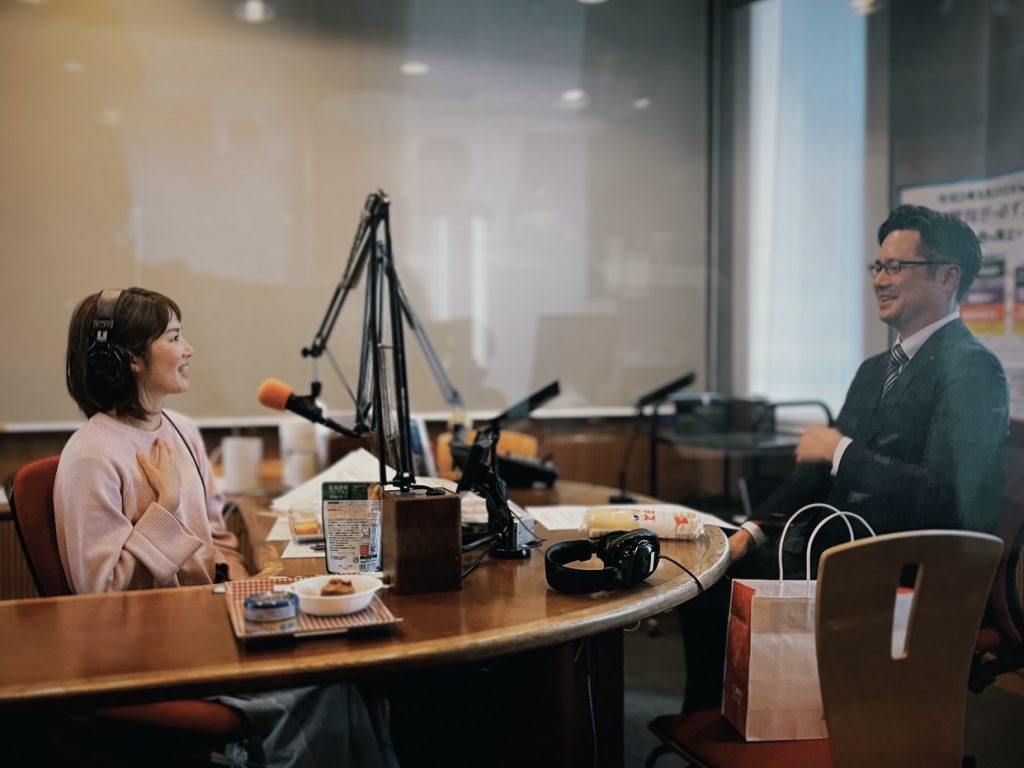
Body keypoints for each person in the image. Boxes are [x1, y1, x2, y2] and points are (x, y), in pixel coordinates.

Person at [680, 204, 1010, 710]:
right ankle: (715, 721)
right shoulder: (874, 370)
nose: (880, 279)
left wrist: (841, 451)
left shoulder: (973, 370)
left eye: (896, 266)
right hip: (838, 548)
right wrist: (753, 528)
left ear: (948, 276)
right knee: (708, 568)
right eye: (877, 266)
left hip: (900, 569)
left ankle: (737, 722)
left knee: (718, 589)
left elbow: (944, 497)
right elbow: (815, 474)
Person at [55, 287, 398, 767]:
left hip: (209, 624)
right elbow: (102, 594)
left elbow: (217, 539)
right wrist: (166, 506)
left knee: (353, 668)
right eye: (174, 337)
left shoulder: (181, 430)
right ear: (127, 360)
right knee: (324, 685)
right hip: (149, 650)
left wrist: (244, 591)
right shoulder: (90, 456)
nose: (188, 349)